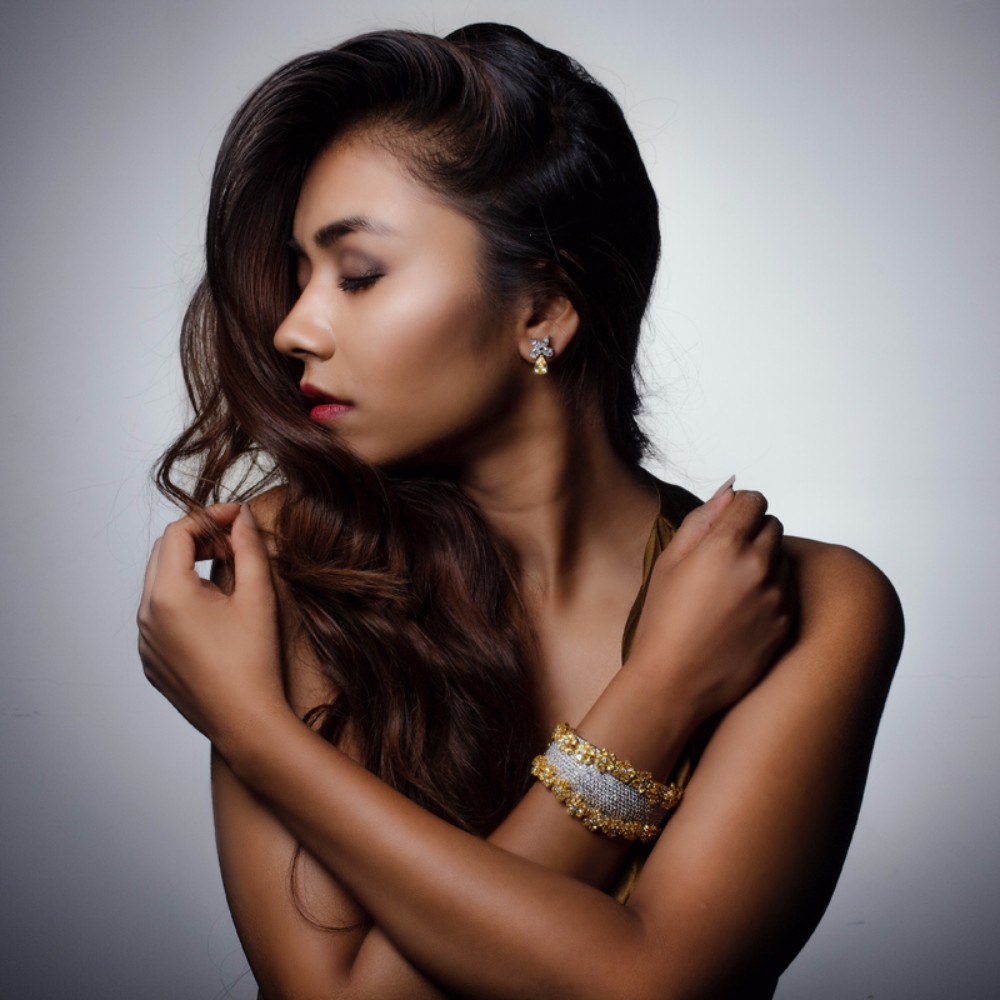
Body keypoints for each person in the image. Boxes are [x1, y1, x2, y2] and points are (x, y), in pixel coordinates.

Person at [137, 23, 903, 999]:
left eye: (358, 274)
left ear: (544, 309)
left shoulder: (811, 603)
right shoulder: (295, 563)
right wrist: (659, 696)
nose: (294, 328)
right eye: (300, 276)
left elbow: (649, 984)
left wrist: (254, 730)